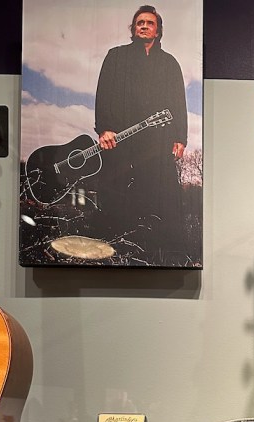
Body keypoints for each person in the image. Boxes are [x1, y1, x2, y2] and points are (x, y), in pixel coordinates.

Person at [95, 5, 188, 264]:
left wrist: (181, 137)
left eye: (149, 22)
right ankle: (112, 248)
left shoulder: (169, 63)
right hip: (120, 137)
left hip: (158, 140)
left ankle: (163, 252)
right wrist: (104, 128)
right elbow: (103, 94)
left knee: (160, 190)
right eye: (139, 23)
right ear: (133, 29)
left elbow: (179, 103)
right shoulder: (116, 57)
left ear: (158, 30)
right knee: (117, 188)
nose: (143, 26)